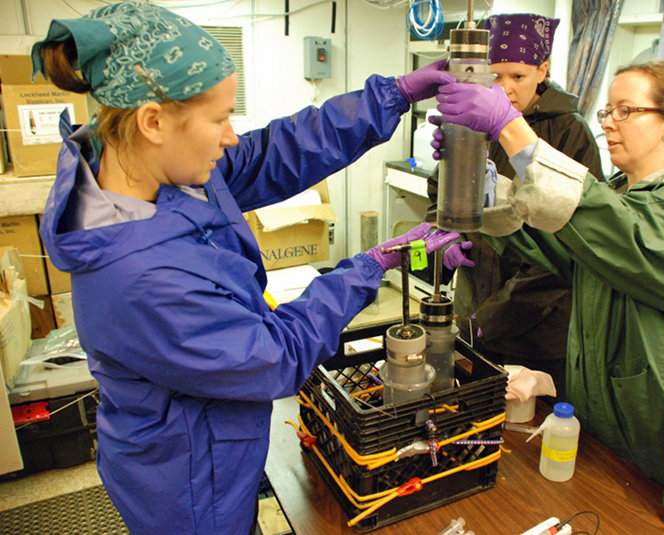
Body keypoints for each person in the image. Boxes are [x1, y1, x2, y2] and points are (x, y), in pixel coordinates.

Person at [32, 3, 471, 534]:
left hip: (215, 438)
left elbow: (272, 153)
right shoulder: (139, 279)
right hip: (190, 484)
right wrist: (370, 265)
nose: (231, 135)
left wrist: (391, 95)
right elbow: (274, 357)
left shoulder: (143, 165)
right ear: (152, 121)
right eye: (218, 119)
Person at [432, 60, 664, 524]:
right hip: (613, 433)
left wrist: (510, 130)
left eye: (626, 110)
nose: (608, 121)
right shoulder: (623, 194)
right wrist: (480, 185)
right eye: (608, 110)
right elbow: (554, 247)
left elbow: (624, 238)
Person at [430, 13, 603, 396]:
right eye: (494, 76)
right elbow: (439, 193)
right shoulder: (474, 121)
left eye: (518, 76)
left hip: (537, 325)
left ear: (543, 70)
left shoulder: (570, 132)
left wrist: (492, 315)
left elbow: (571, 245)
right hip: (475, 304)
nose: (505, 89)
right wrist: (448, 237)